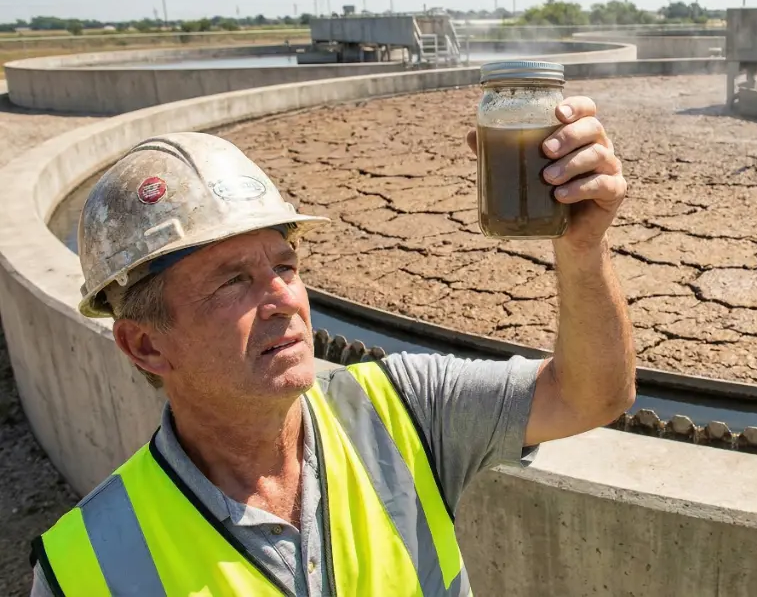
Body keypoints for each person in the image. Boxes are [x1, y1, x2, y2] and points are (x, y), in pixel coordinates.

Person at [30, 95, 636, 596]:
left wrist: (582, 252)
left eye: (286, 266)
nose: (282, 299)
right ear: (144, 345)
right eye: (232, 281)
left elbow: (590, 397)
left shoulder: (403, 412)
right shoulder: (84, 569)